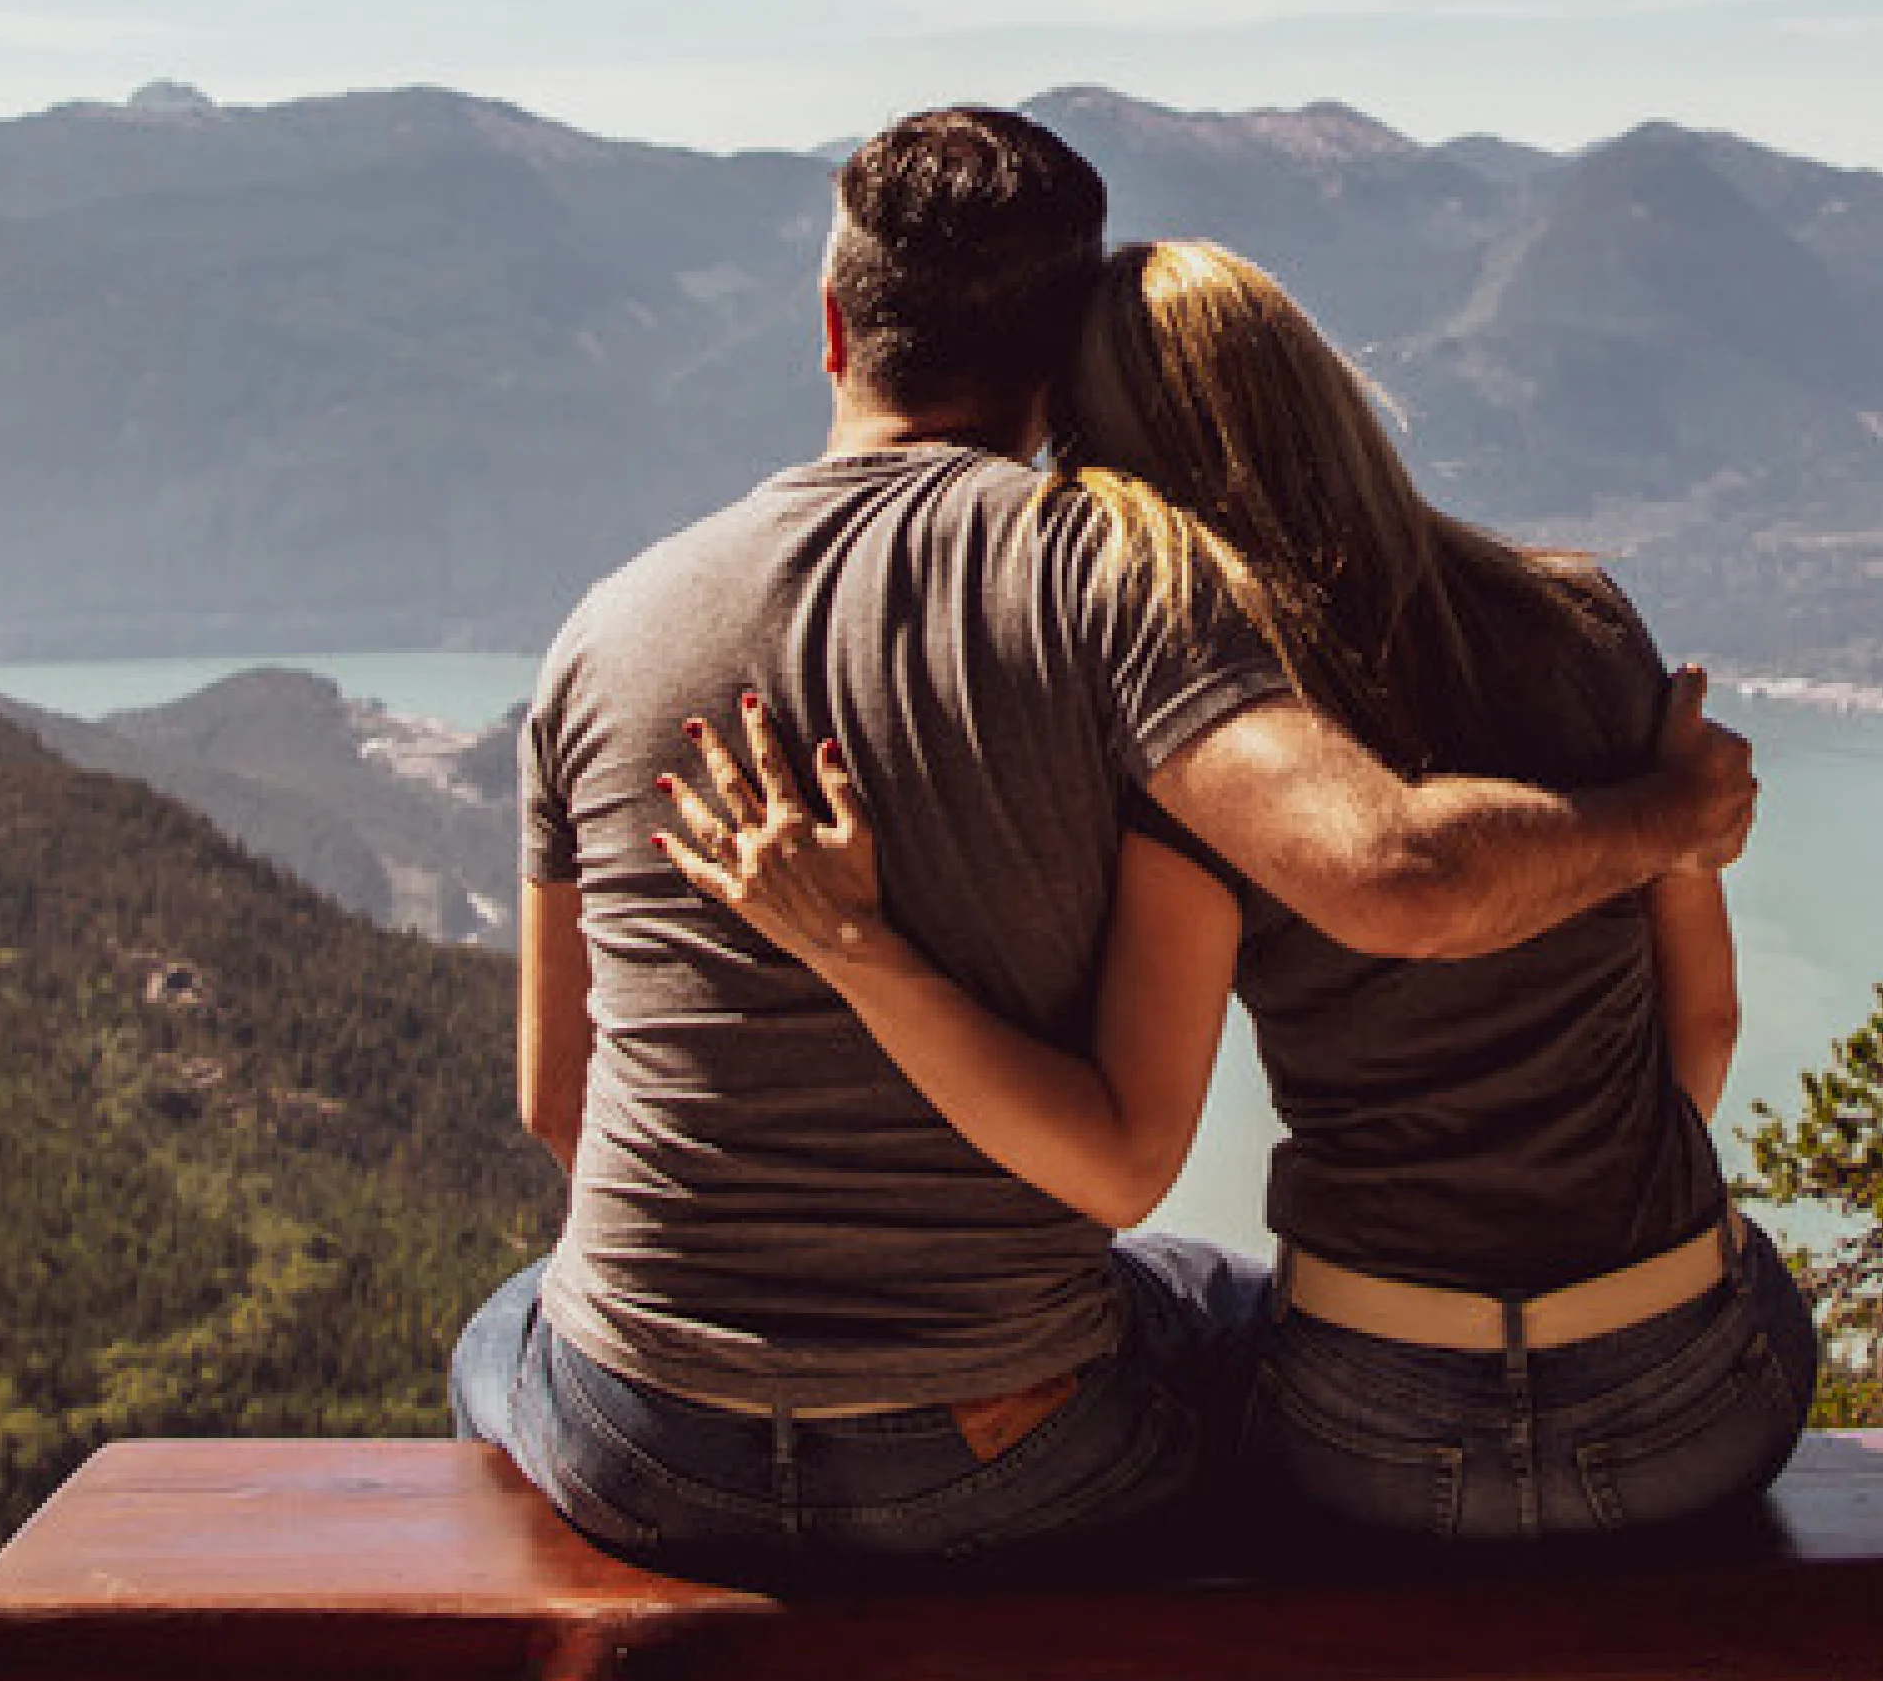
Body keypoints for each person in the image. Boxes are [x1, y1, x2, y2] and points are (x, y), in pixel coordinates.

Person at [449, 112, 1759, 1581]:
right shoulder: (1119, 588)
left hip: (647, 1440)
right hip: (1007, 1448)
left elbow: (563, 1106)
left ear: (830, 326)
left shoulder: (598, 633)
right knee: (1201, 1304)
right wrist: (1670, 818)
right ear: (1056, 361)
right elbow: (1381, 897)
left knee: (508, 1322)